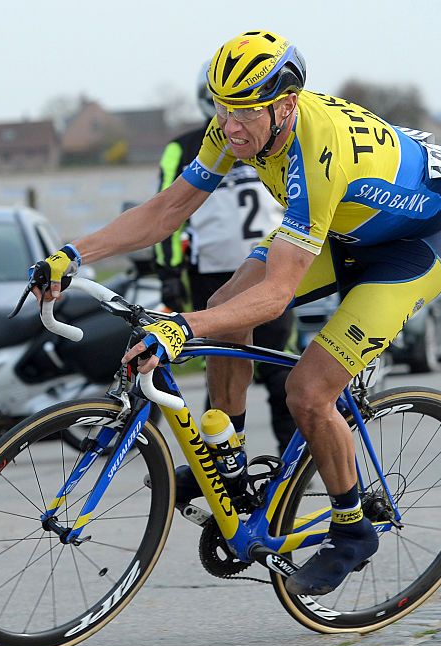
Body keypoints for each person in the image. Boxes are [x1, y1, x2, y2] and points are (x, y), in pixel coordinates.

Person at [30, 30, 441, 596]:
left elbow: (277, 295)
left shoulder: (317, 149)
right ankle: (227, 464)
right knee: (224, 308)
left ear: (285, 105)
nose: (230, 127)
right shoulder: (237, 126)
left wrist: (179, 328)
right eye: (221, 109)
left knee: (308, 392)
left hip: (412, 248)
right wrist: (72, 253)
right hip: (342, 228)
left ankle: (353, 529)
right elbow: (167, 211)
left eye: (244, 114)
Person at [154, 61, 296, 457]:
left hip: (270, 266)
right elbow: (168, 208)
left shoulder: (268, 140)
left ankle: (293, 462)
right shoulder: (183, 147)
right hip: (213, 273)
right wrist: (169, 272)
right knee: (222, 367)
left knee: (276, 368)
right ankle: (221, 463)